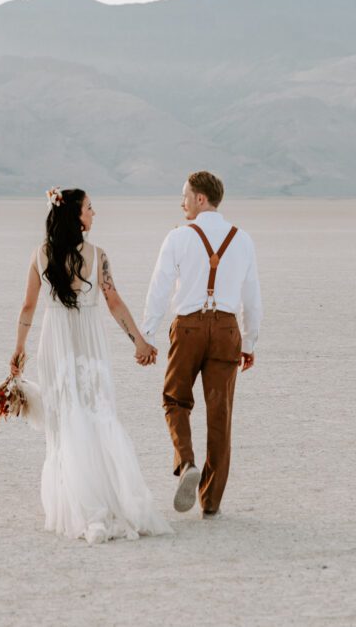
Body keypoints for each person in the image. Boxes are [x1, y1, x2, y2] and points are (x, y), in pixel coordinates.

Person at [10, 186, 173, 544]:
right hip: (89, 342)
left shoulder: (41, 255)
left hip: (55, 341)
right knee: (97, 414)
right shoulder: (98, 256)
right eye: (89, 207)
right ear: (75, 215)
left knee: (67, 418)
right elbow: (113, 302)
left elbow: (27, 308)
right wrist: (139, 341)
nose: (94, 213)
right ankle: (106, 499)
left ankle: (80, 504)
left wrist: (19, 350)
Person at [141, 171, 263, 519]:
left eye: (185, 196)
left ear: (200, 199)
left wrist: (148, 335)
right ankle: (210, 502)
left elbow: (160, 288)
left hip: (189, 327)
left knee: (175, 399)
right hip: (226, 329)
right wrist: (250, 341)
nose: (181, 203)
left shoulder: (178, 237)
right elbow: (252, 296)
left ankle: (187, 462)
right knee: (220, 416)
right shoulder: (243, 239)